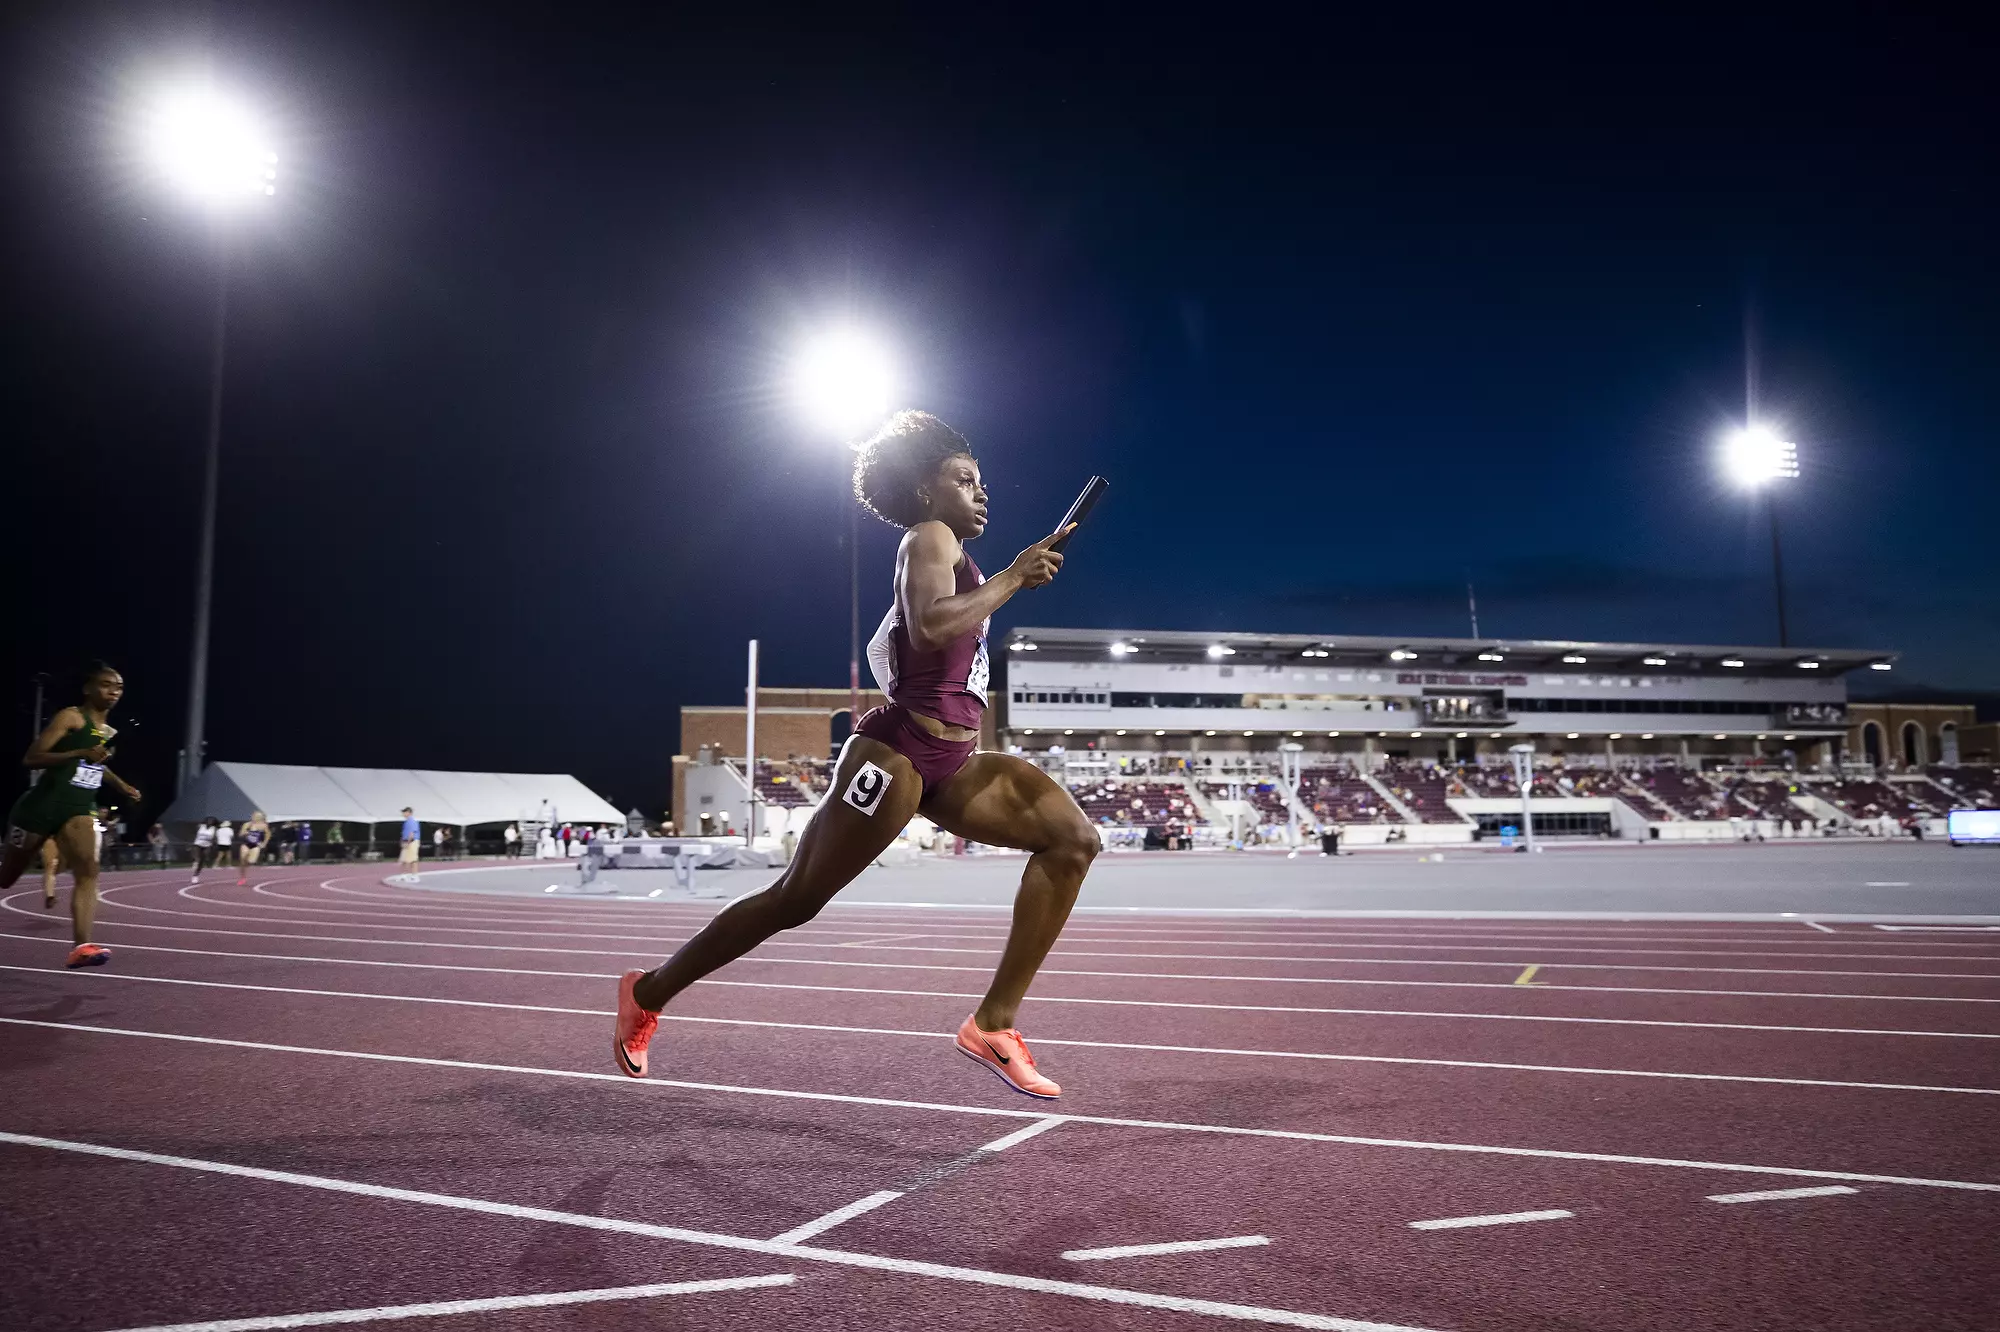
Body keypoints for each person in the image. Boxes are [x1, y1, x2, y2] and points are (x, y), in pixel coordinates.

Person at [613, 411, 1097, 1098]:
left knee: (1072, 840)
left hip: (957, 761)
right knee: (795, 900)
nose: (981, 493)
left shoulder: (960, 554)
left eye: (982, 481)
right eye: (965, 480)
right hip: (896, 755)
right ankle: (650, 992)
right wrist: (1016, 578)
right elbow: (930, 629)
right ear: (926, 491)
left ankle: (993, 1023)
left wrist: (1010, 577)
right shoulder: (927, 537)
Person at [0, 662, 141, 967]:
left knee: (89, 869)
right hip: (40, 807)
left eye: (118, 687)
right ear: (88, 688)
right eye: (106, 684)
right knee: (6, 879)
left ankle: (82, 947)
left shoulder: (109, 732)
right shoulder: (71, 717)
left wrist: (123, 786)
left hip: (79, 807)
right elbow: (32, 758)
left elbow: (96, 766)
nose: (113, 691)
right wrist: (76, 753)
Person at [237, 810, 270, 884]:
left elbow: (268, 834)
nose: (254, 818)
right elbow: (240, 834)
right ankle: (243, 877)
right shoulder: (247, 824)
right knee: (243, 858)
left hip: (255, 845)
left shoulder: (264, 826)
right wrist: (246, 833)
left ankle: (246, 865)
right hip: (246, 844)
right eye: (254, 816)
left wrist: (264, 843)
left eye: (257, 817)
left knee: (251, 861)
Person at [399, 807, 421, 872]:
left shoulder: (412, 821)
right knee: (405, 859)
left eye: (404, 812)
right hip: (407, 841)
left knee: (413, 859)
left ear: (409, 812)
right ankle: (404, 875)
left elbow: (412, 833)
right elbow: (404, 833)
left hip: (412, 842)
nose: (403, 813)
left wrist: (408, 843)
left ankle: (414, 875)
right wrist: (403, 842)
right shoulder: (406, 822)